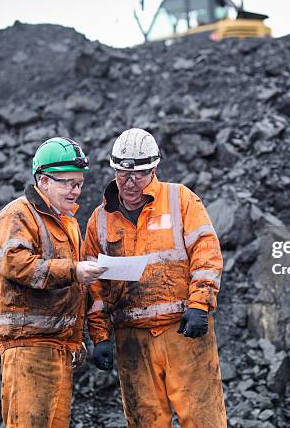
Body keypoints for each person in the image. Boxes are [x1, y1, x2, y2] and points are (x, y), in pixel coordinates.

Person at [86, 128, 227, 428]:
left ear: (154, 169)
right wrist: (99, 336)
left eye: (139, 174)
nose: (130, 182)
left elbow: (206, 251)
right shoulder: (99, 220)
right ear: (114, 170)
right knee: (145, 421)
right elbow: (94, 286)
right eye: (124, 174)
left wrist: (200, 304)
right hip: (132, 340)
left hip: (183, 332)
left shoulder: (180, 200)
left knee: (203, 419)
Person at [0, 137, 105, 428]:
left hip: (59, 348)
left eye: (79, 183)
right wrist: (73, 271)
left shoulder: (67, 223)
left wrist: (77, 339)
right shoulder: (18, 214)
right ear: (43, 180)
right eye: (68, 183)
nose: (75, 191)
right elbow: (14, 263)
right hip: (28, 348)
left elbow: (76, 289)